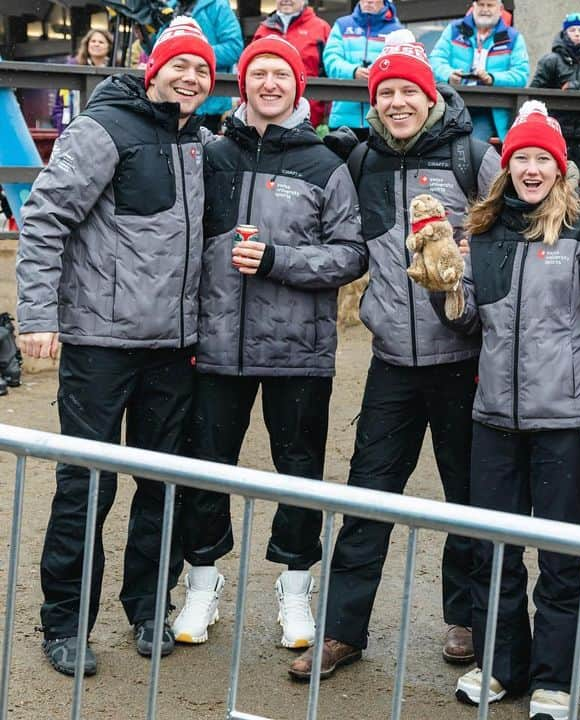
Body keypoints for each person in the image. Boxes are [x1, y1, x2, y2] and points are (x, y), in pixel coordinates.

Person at [287, 29, 502, 682]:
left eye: (410, 90)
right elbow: (345, 238)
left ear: (430, 95)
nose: (399, 102)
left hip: (462, 357)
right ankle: (342, 630)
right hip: (393, 361)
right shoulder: (363, 161)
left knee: (466, 495)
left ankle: (465, 617)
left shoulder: (472, 155)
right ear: (373, 102)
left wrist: (470, 275)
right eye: (387, 93)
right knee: (370, 494)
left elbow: (511, 238)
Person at [16, 17, 214, 676]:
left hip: (172, 347)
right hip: (100, 342)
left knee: (161, 485)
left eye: (201, 71)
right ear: (153, 68)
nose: (189, 78)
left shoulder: (198, 144)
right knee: (86, 488)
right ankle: (66, 622)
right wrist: (39, 315)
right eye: (178, 65)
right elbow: (45, 219)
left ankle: (147, 606)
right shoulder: (103, 129)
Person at [422, 99, 580, 720]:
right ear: (507, 165)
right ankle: (503, 663)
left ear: (560, 167)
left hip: (567, 425)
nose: (532, 168)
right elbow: (470, 326)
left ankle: (556, 678)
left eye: (544, 158)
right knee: (494, 549)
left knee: (561, 558)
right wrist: (444, 292)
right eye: (522, 158)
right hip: (494, 419)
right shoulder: (485, 231)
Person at [171, 35, 367, 651]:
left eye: (283, 74)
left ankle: (295, 587)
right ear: (243, 84)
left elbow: (350, 253)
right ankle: (202, 581)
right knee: (206, 467)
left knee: (299, 471)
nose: (271, 84)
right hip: (217, 342)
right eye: (260, 74)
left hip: (298, 349)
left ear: (298, 86)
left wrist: (281, 259)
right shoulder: (211, 153)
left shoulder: (323, 164)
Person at [429, 0, 529, 142]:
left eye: (490, 5)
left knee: (471, 145)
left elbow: (521, 75)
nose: (485, 9)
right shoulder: (453, 30)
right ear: (473, 6)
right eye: (481, 4)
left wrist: (492, 78)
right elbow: (435, 60)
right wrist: (449, 75)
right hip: (451, 105)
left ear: (500, 9)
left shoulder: (514, 38)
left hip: (489, 110)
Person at [530, 12, 580, 172]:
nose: (577, 34)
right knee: (555, 173)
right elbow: (535, 92)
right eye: (572, 30)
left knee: (579, 178)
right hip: (557, 128)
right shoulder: (551, 60)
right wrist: (562, 91)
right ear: (565, 32)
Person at [162, 0, 242, 133]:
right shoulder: (170, 7)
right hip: (169, 100)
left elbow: (234, 48)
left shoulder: (218, 5)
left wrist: (193, 52)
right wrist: (146, 38)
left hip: (206, 105)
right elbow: (159, 51)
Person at [322, 0, 403, 132]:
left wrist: (377, 73)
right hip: (342, 119)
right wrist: (353, 72)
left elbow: (401, 66)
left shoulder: (397, 31)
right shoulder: (342, 25)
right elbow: (331, 59)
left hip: (382, 121)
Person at [252, 0, 332, 128]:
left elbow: (329, 72)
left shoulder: (321, 28)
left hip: (309, 117)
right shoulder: (263, 29)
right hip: (267, 115)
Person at [51, 29, 113, 133]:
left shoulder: (116, 69)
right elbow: (59, 104)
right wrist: (61, 123)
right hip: (73, 130)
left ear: (109, 47)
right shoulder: (72, 67)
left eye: (101, 42)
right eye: (93, 41)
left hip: (104, 130)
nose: (96, 44)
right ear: (87, 44)